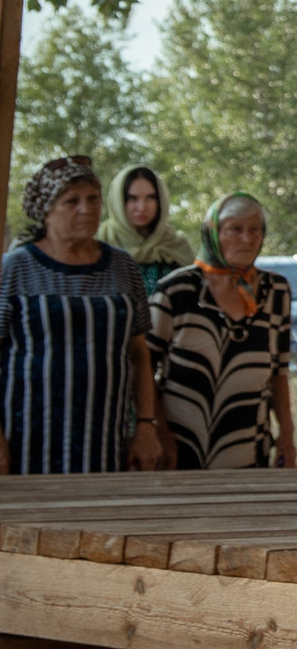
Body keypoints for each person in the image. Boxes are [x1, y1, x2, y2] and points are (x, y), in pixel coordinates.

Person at [0, 158, 168, 475]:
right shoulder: (16, 267)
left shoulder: (122, 266)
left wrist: (146, 425)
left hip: (105, 440)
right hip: (25, 441)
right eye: (72, 201)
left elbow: (139, 354)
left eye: (93, 198)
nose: (86, 209)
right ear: (45, 210)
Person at [149, 193, 295, 469]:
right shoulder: (176, 290)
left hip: (250, 448)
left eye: (255, 229)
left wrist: (286, 435)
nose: (247, 238)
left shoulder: (276, 291)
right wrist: (159, 433)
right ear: (212, 233)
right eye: (235, 229)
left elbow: (279, 371)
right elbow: (144, 367)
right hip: (179, 450)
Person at [103, 166, 187, 295]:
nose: (142, 207)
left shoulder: (176, 245)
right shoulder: (99, 241)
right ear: (119, 200)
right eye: (133, 198)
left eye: (150, 197)